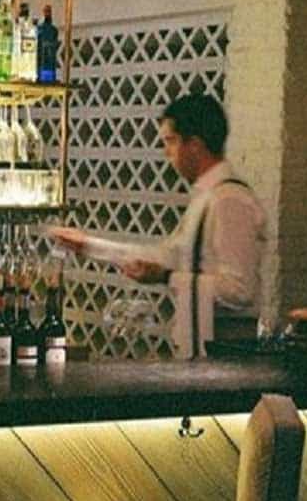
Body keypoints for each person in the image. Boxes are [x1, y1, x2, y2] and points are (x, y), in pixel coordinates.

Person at [50, 93, 267, 357]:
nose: (166, 152)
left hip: (226, 353)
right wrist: (87, 245)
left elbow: (239, 291)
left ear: (195, 146)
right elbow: (165, 256)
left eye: (170, 141)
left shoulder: (230, 200)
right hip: (203, 350)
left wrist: (167, 277)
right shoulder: (207, 198)